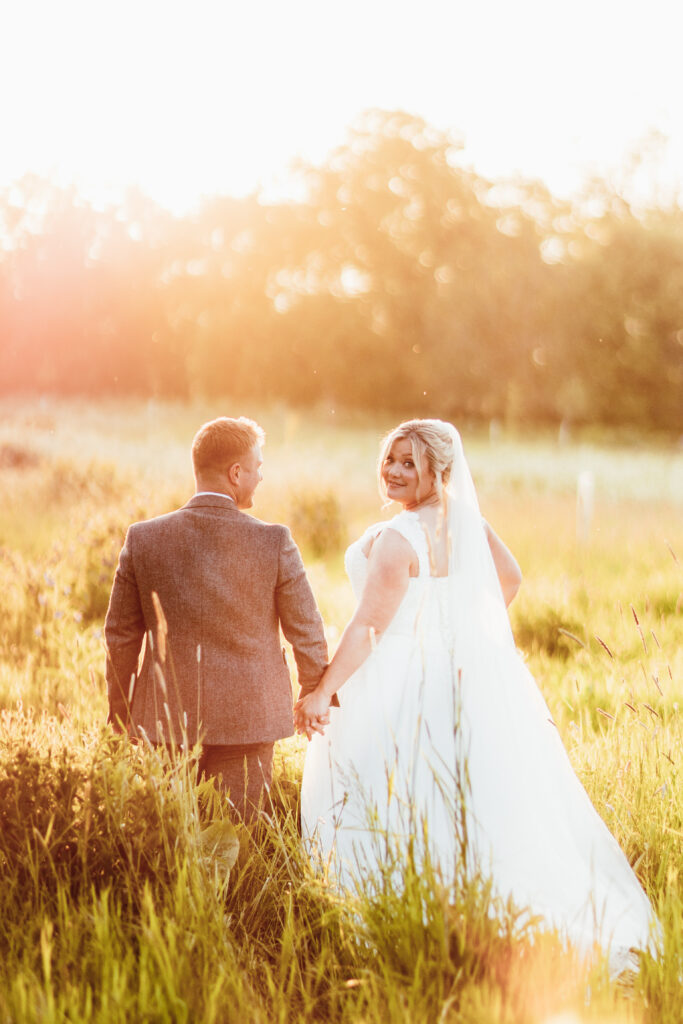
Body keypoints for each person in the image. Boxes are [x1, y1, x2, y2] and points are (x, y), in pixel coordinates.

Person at [296, 418, 659, 975]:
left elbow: (369, 625)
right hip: (461, 674)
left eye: (409, 463)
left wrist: (323, 690)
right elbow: (508, 580)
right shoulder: (467, 522)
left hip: (395, 679)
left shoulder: (399, 539)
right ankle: (465, 914)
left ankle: (399, 921)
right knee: (458, 798)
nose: (393, 470)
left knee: (392, 794)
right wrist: (456, 628)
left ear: (438, 471)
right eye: (391, 457)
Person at [104, 415, 328, 820]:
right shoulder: (274, 540)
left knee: (169, 840)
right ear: (236, 472)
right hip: (250, 719)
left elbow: (119, 635)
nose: (261, 477)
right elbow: (306, 629)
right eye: (257, 468)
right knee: (232, 841)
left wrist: (120, 716)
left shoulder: (143, 537)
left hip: (164, 720)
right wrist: (313, 690)